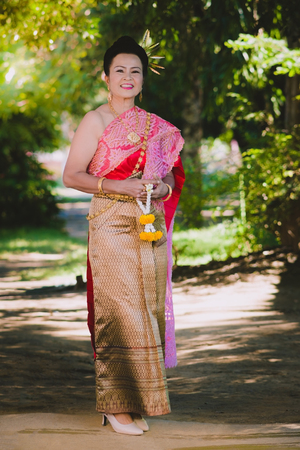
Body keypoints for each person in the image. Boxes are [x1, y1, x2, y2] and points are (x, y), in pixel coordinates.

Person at [63, 35, 185, 436]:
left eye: (135, 71)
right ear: (106, 77)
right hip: (111, 224)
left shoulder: (155, 126)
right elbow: (72, 175)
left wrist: (161, 188)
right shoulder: (95, 121)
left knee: (146, 311)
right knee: (119, 311)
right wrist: (120, 188)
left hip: (147, 226)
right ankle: (113, 405)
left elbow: (168, 173)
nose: (128, 77)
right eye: (120, 71)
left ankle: (134, 401)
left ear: (143, 79)